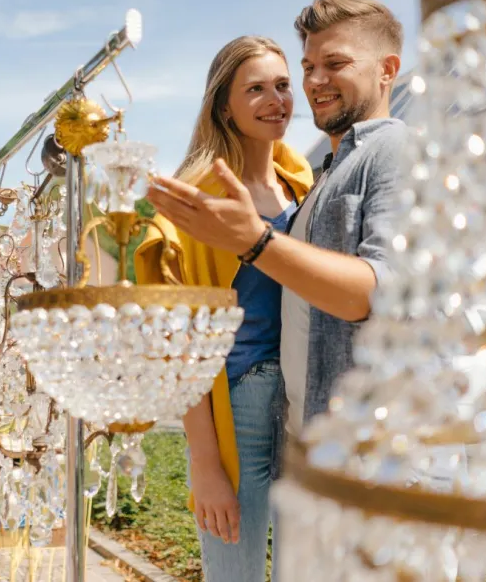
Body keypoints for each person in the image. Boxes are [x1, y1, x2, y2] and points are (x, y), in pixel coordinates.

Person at [146, 0, 409, 434]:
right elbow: (180, 342)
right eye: (308, 69)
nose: (314, 82)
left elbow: (379, 291)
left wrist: (256, 242)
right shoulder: (318, 176)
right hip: (273, 415)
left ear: (387, 71)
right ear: (224, 106)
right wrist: (205, 458)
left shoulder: (368, 159)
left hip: (350, 437)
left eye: (335, 64)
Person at [134, 36, 313, 582]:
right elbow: (180, 350)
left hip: (303, 400)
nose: (275, 100)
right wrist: (206, 467)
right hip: (241, 404)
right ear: (223, 106)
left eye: (282, 85)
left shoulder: (298, 180)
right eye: (254, 89)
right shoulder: (199, 198)